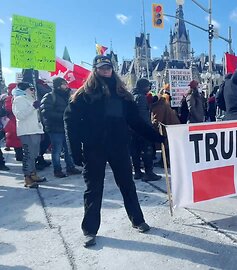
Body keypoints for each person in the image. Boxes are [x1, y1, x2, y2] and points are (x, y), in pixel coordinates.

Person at [64, 55, 165, 247]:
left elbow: (135, 122)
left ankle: (137, 219)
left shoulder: (123, 95)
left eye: (108, 68)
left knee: (127, 184)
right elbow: (70, 121)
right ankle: (90, 230)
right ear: (95, 70)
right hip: (94, 148)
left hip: (118, 147)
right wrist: (75, 150)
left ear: (112, 70)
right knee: (94, 189)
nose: (105, 71)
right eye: (101, 68)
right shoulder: (84, 94)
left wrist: (157, 138)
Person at [40, 78, 82, 178]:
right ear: (58, 85)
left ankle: (70, 167)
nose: (67, 85)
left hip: (66, 128)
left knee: (68, 150)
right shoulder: (50, 96)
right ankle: (57, 170)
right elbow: (46, 112)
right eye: (64, 84)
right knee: (57, 150)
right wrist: (64, 116)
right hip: (55, 129)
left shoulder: (69, 96)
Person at [12, 82, 47, 188]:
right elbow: (20, 115)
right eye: (31, 89)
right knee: (28, 155)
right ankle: (27, 178)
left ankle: (33, 174)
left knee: (35, 154)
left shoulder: (30, 99)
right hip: (27, 131)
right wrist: (32, 107)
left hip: (35, 130)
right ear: (25, 90)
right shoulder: (19, 99)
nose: (33, 91)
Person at [130, 78, 162, 181]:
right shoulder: (141, 97)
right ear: (144, 87)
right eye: (148, 86)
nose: (149, 88)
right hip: (142, 129)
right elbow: (143, 115)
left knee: (135, 151)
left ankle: (137, 172)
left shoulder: (131, 96)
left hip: (132, 129)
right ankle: (149, 173)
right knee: (147, 150)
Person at [4, 83, 23, 162]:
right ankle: (19, 155)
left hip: (14, 121)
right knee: (16, 140)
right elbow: (9, 109)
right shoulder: (11, 98)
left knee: (17, 140)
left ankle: (19, 154)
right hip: (14, 121)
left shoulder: (10, 98)